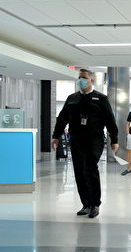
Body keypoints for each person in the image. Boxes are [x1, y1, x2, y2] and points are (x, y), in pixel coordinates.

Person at [51, 68, 119, 218]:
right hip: (76, 140)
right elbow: (62, 119)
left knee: (90, 168)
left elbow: (110, 120)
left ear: (91, 81)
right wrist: (56, 136)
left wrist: (114, 140)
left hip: (94, 140)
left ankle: (95, 204)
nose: (81, 81)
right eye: (79, 78)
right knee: (79, 171)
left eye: (84, 78)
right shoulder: (72, 98)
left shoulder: (100, 99)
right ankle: (86, 204)